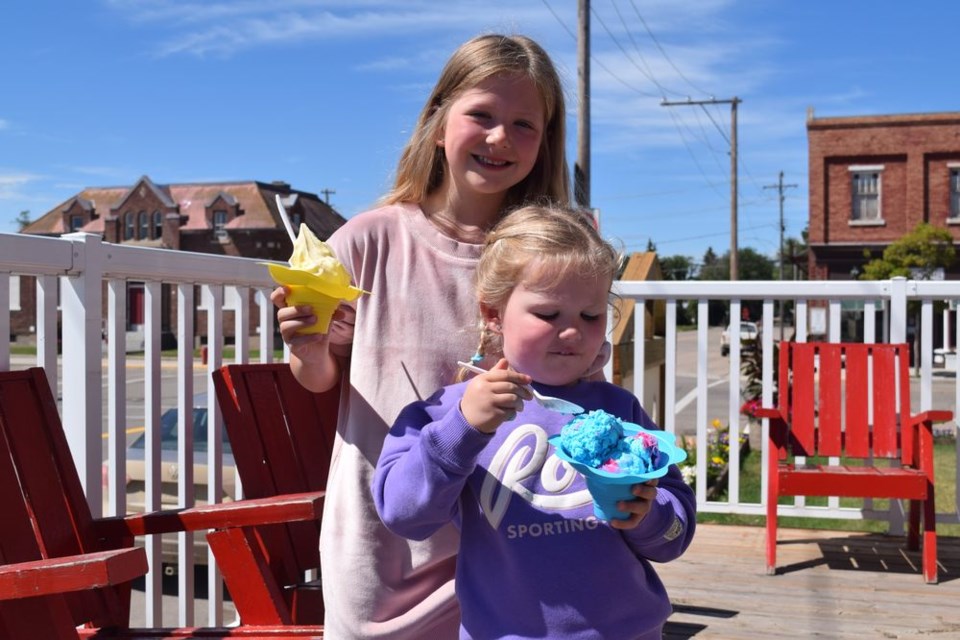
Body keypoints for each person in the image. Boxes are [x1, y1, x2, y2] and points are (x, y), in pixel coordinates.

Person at [271, 34, 570, 639]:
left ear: (545, 144)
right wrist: (307, 346)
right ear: (437, 123)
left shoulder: (549, 260)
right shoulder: (367, 240)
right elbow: (319, 377)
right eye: (480, 115)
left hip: (508, 547)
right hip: (380, 549)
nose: (499, 138)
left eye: (523, 125)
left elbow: (578, 386)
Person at [373, 205, 697, 640]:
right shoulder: (452, 412)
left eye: (591, 316)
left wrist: (648, 516)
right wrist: (464, 429)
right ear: (493, 314)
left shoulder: (619, 410)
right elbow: (403, 515)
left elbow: (675, 535)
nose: (573, 333)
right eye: (548, 315)